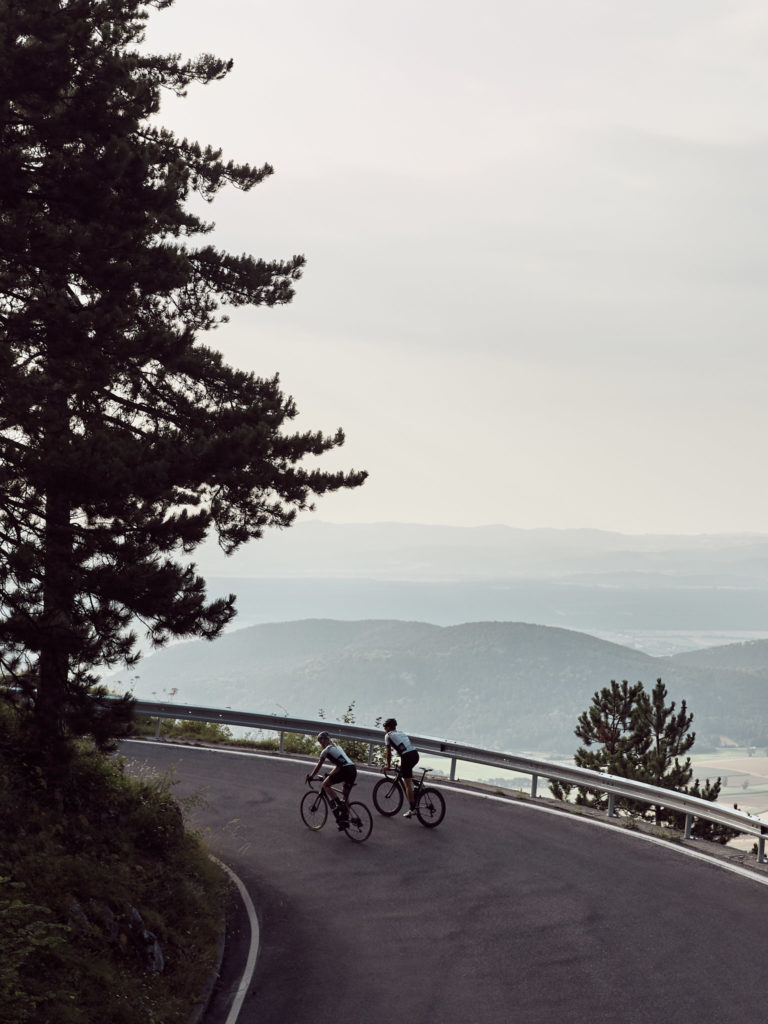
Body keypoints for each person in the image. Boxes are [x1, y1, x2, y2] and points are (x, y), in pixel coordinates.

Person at [306, 731, 357, 828]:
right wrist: (330, 774)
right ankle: (345, 817)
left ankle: (339, 805)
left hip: (345, 770)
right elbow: (339, 765)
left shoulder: (326, 750)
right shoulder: (338, 747)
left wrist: (311, 776)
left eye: (321, 742)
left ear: (323, 741)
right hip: (353, 769)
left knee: (325, 784)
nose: (321, 745)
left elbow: (318, 766)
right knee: (345, 793)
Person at [383, 718, 420, 818]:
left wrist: (388, 765)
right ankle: (416, 788)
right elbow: (404, 748)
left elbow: (388, 752)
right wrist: (401, 764)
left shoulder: (388, 735)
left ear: (387, 728)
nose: (384, 730)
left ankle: (412, 809)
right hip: (415, 755)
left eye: (384, 728)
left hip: (407, 757)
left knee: (406, 783)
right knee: (406, 772)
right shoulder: (401, 733)